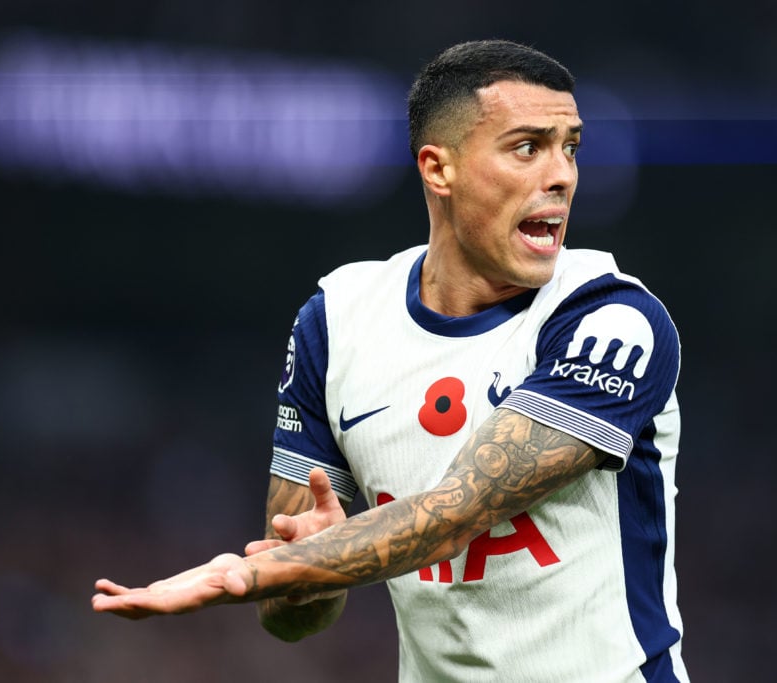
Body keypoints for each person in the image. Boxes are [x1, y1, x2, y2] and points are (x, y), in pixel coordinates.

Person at [93, 39, 689, 682]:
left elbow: (454, 516)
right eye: (527, 147)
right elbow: (293, 621)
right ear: (439, 169)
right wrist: (307, 576)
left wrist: (259, 571)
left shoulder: (609, 319)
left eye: (570, 147)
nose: (563, 174)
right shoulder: (337, 321)